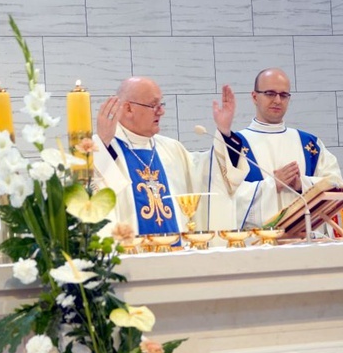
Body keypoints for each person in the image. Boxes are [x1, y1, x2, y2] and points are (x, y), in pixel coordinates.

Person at [92, 77, 248, 238]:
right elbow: (90, 196)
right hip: (132, 258)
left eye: (161, 104)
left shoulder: (171, 149)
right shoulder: (105, 149)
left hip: (176, 256)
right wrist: (102, 145)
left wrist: (225, 133)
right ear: (128, 108)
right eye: (154, 105)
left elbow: (208, 178)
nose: (161, 111)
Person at [232, 68, 343, 230]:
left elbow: (337, 185)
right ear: (255, 97)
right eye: (270, 93)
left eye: (284, 95)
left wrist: (302, 185)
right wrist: (272, 185)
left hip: (306, 243)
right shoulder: (235, 144)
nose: (278, 100)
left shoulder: (310, 144)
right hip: (258, 245)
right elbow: (224, 198)